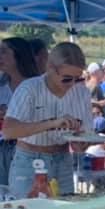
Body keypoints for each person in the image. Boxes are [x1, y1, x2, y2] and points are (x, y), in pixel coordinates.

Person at [3, 41, 92, 197]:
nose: (72, 84)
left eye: (78, 79)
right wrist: (51, 123)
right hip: (29, 161)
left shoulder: (82, 93)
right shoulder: (29, 88)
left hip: (63, 160)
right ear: (50, 67)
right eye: (66, 78)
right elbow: (9, 131)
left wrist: (81, 143)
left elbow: (84, 134)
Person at [0, 37, 40, 187]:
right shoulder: (1, 86)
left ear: (19, 55)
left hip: (29, 150)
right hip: (2, 149)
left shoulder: (38, 86)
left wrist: (14, 115)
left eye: (3, 51)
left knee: (26, 193)